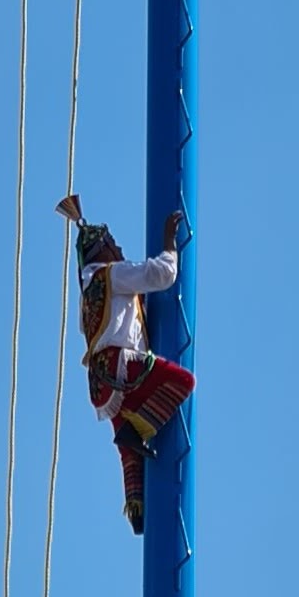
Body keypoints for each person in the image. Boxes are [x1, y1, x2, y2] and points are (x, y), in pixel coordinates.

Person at [57, 193, 194, 532]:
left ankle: (137, 506)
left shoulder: (89, 296)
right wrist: (168, 243)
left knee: (128, 450)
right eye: (113, 244)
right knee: (182, 382)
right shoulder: (112, 274)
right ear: (100, 249)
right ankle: (137, 431)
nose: (119, 250)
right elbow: (162, 274)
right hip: (123, 367)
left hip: (101, 384)